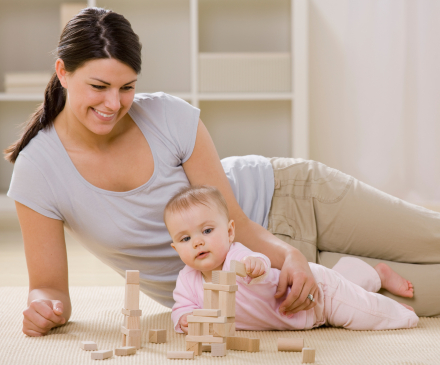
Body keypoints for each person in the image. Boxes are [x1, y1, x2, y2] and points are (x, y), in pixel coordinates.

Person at [3, 7, 439, 338]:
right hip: (255, 290)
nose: (113, 104)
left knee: (432, 236)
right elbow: (49, 289)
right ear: (62, 72)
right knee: (429, 292)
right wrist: (43, 308)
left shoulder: (169, 117)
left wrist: (290, 254)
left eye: (127, 87)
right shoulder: (39, 171)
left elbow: (238, 221)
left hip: (290, 200)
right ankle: (367, 271)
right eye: (99, 86)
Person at [165, 186, 419, 332]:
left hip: (317, 296)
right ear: (176, 249)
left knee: (365, 312)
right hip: (303, 315)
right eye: (185, 239)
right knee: (348, 286)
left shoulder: (237, 258)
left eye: (207, 231)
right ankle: (377, 274)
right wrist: (184, 320)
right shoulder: (187, 280)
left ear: (230, 232)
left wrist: (256, 267)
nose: (197, 241)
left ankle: (399, 314)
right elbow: (182, 308)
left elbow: (260, 264)